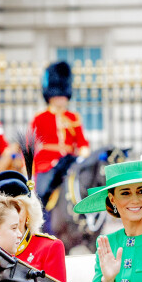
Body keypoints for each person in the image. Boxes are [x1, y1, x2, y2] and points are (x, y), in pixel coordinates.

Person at [0, 170, 67, 282]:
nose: (11, 217)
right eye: (2, 211)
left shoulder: (49, 248)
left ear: (29, 212)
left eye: (17, 208)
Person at [30, 61, 90, 208]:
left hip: (69, 161)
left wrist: (84, 152)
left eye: (63, 95)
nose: (60, 98)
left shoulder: (73, 117)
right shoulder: (40, 117)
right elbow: (29, 144)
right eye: (57, 95)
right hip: (47, 163)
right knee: (42, 192)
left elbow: (82, 142)